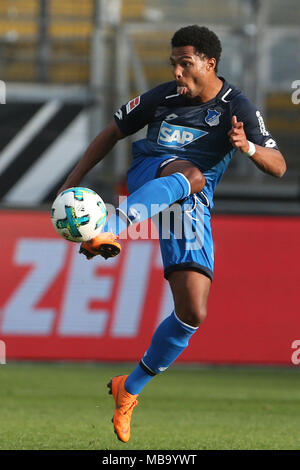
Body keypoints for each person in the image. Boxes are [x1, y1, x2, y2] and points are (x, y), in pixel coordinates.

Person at [58, 25, 286, 443]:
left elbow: (279, 165)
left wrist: (248, 147)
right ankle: (110, 228)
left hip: (190, 207)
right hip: (152, 176)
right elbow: (111, 132)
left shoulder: (237, 106)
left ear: (208, 63)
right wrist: (71, 183)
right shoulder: (161, 98)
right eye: (173, 64)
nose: (177, 73)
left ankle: (129, 389)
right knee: (191, 172)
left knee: (193, 312)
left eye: (185, 64)